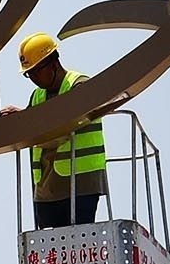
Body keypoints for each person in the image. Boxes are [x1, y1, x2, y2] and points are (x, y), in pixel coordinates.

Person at [14, 31, 107, 227]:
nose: (33, 78)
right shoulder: (37, 96)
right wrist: (20, 118)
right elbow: (34, 126)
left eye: (36, 71)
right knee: (51, 252)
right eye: (28, 74)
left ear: (53, 63)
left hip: (80, 185)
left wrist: (31, 132)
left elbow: (64, 128)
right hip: (47, 189)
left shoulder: (79, 85)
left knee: (78, 247)